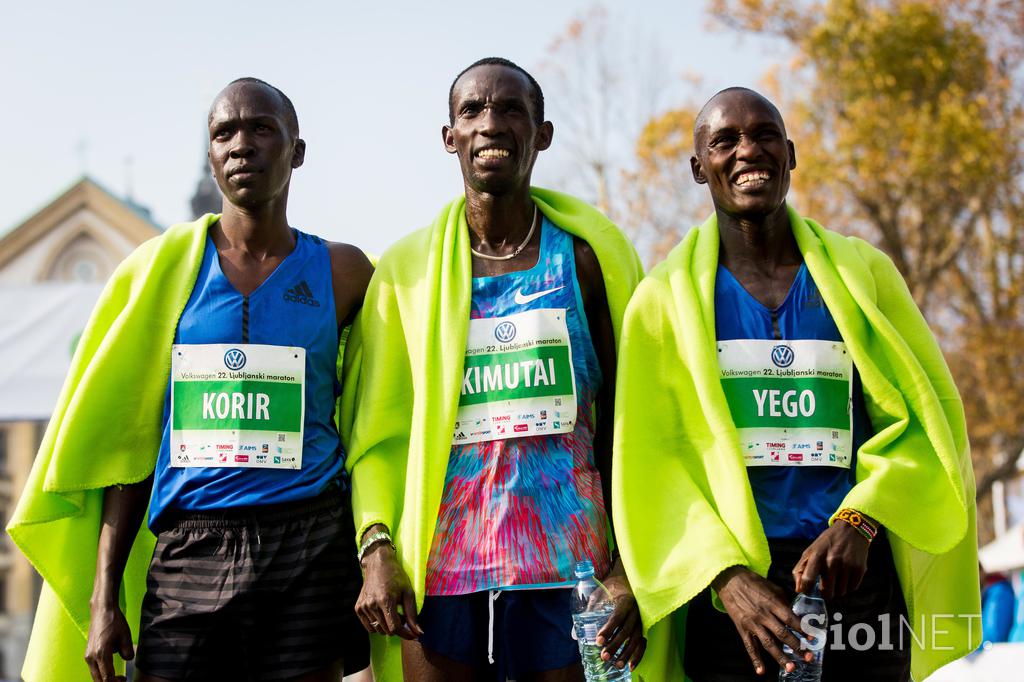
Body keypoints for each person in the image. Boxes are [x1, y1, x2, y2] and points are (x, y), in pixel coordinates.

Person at [8, 78, 373, 682]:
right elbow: (130, 448)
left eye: (261, 129)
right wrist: (104, 599)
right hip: (190, 553)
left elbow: (381, 412)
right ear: (210, 157)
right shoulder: (162, 275)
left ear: (297, 150)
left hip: (309, 544)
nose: (241, 145)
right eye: (224, 133)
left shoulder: (345, 272)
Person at [612, 87, 980, 681]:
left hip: (854, 576)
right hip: (735, 601)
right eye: (724, 140)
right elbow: (651, 465)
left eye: (764, 135)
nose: (747, 151)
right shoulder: (662, 302)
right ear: (697, 168)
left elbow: (926, 418)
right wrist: (726, 579)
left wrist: (860, 521)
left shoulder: (864, 275)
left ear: (791, 153)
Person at [340, 57, 645, 681]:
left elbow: (625, 420)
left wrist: (630, 564)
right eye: (472, 111)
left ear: (543, 133)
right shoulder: (406, 275)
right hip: (442, 566)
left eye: (511, 110)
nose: (491, 125)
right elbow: (375, 432)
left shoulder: (586, 262)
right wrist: (376, 546)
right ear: (449, 136)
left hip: (570, 564)